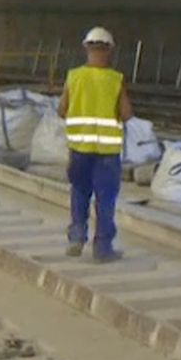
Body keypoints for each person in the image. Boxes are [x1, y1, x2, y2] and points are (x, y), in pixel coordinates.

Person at [59, 27, 132, 262]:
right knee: (105, 199)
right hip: (108, 154)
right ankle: (102, 249)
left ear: (86, 48)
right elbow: (126, 113)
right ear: (109, 50)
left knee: (79, 192)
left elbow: (61, 110)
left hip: (79, 149)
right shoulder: (115, 79)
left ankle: (77, 237)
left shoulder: (74, 76)